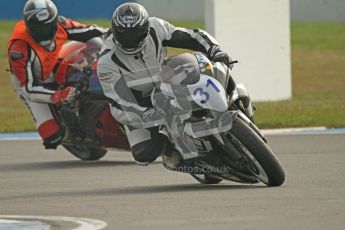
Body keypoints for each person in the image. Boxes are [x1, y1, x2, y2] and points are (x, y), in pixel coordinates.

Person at [97, 2, 240, 165]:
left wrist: (215, 50)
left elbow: (192, 36)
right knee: (144, 152)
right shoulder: (106, 61)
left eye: (136, 33)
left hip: (165, 77)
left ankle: (234, 100)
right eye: (124, 35)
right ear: (114, 31)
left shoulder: (155, 26)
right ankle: (174, 151)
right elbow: (118, 103)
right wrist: (144, 113)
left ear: (145, 27)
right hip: (141, 102)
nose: (130, 40)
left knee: (210, 68)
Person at [7, 0, 107, 149]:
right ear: (29, 26)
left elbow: (89, 30)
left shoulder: (61, 24)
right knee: (53, 135)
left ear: (54, 21)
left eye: (48, 27)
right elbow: (29, 88)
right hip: (31, 83)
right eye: (38, 28)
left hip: (53, 64)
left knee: (84, 76)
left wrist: (114, 33)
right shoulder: (18, 49)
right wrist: (58, 95)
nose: (44, 32)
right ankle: (67, 124)